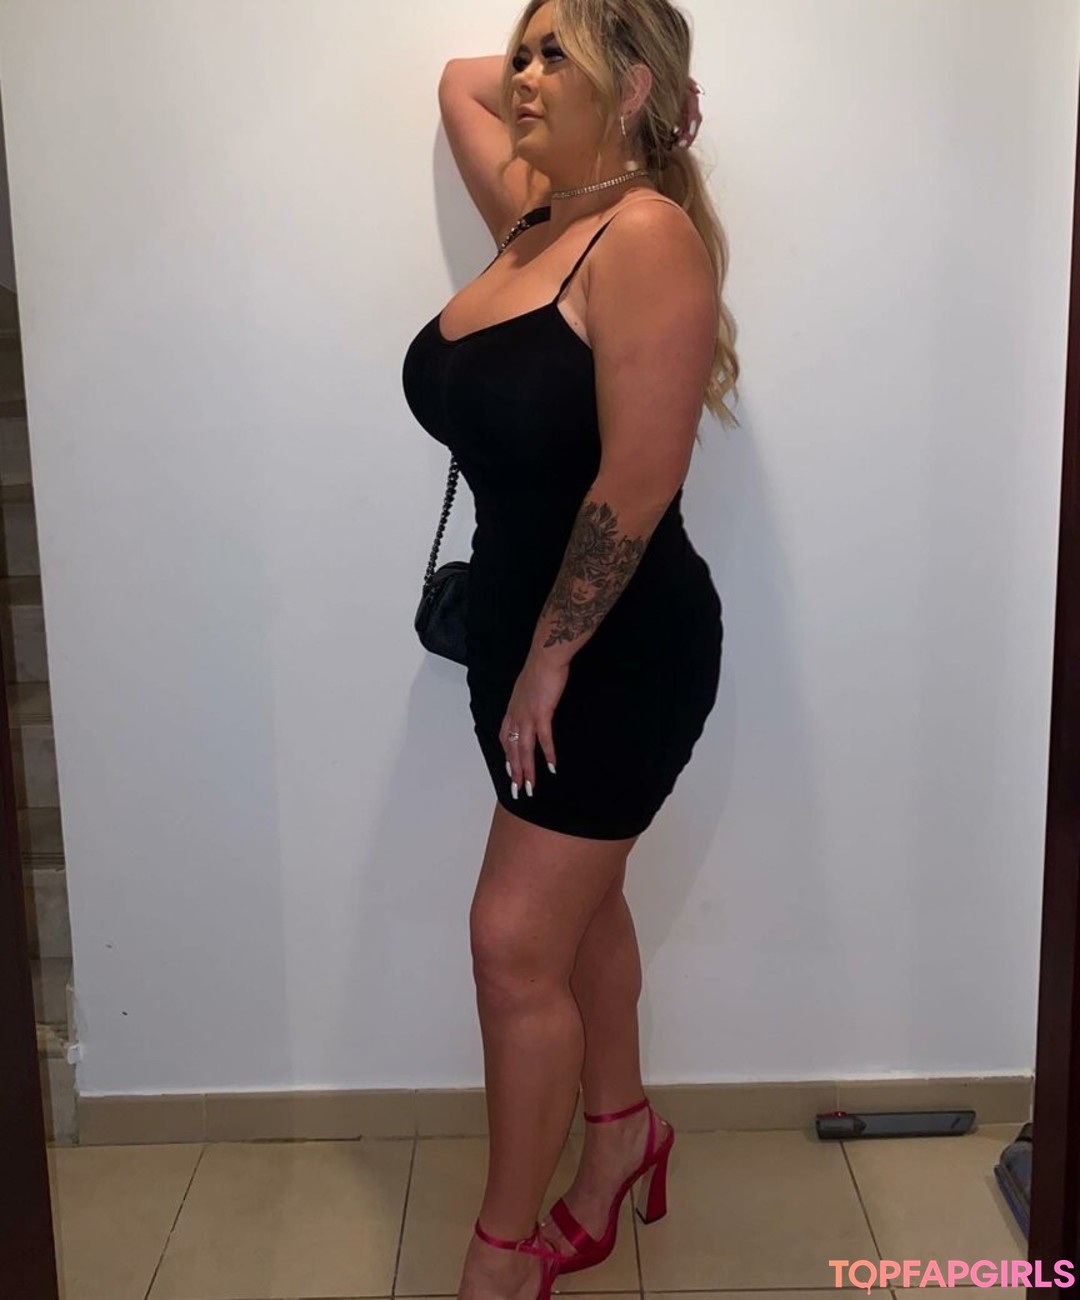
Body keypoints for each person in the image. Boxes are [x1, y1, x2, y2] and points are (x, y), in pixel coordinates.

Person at [401, 3, 740, 1298]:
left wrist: (549, 662)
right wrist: (583, 69)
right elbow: (457, 80)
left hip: (612, 650)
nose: (524, 78)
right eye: (526, 52)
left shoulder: (640, 236)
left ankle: (501, 1256)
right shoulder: (539, 216)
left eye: (558, 58)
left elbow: (638, 482)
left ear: (630, 86)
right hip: (515, 638)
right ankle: (621, 1134)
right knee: (576, 911)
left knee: (510, 945)